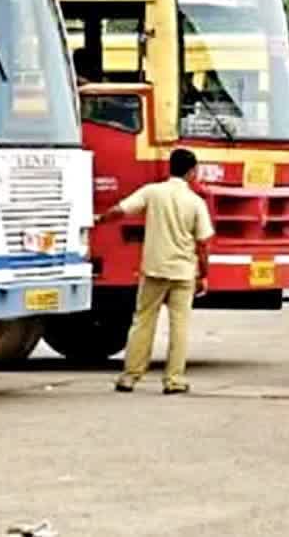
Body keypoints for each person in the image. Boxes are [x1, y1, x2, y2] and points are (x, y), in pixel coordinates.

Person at [95, 148, 214, 394]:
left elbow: (120, 210)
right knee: (179, 326)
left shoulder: (153, 192)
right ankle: (174, 380)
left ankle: (130, 376)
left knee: (143, 322)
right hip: (183, 273)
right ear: (192, 172)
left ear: (170, 167)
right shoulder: (196, 202)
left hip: (154, 270)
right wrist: (204, 274)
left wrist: (98, 220)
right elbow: (203, 243)